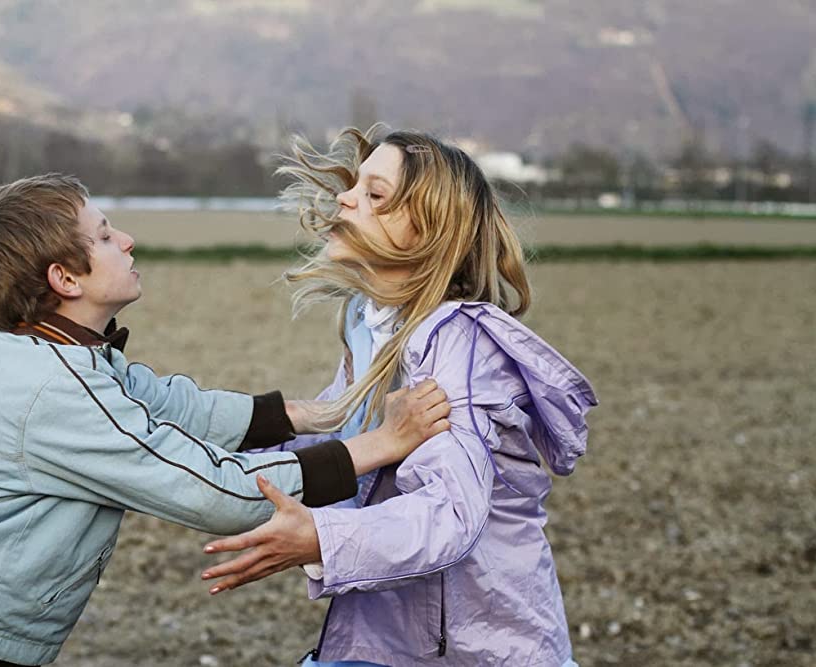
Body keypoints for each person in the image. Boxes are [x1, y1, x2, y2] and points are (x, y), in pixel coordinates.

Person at [0, 174, 451, 667]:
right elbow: (215, 490)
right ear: (63, 278)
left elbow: (181, 409)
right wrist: (380, 443)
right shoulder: (54, 387)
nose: (125, 240)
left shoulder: (69, 354)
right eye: (102, 236)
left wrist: (319, 413)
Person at [200, 129, 598, 666]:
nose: (345, 198)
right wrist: (203, 466)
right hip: (385, 639)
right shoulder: (371, 324)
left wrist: (321, 538)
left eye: (375, 194)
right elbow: (339, 448)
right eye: (355, 186)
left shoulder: (459, 345)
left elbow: (450, 513)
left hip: (476, 648)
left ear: (426, 233)